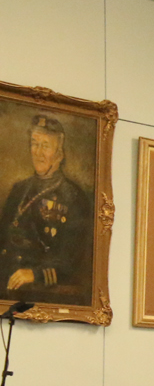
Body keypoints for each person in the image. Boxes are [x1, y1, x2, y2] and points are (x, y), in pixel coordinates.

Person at [2, 115, 93, 303]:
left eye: (45, 146)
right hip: (6, 288)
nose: (38, 152)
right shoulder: (19, 190)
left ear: (59, 154)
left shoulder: (74, 197)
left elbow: (71, 262)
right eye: (34, 144)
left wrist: (35, 274)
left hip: (43, 293)